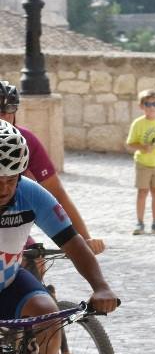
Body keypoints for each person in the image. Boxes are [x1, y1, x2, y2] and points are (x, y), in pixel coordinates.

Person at [0, 122, 118, 354]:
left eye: (11, 179)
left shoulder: (30, 194)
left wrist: (100, 286)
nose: (5, 189)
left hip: (7, 282)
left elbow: (72, 242)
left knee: (48, 315)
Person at [0, 80, 105, 255]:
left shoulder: (27, 141)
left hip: (12, 221)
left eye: (6, 111)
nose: (1, 118)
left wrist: (85, 238)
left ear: (15, 112)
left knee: (35, 261)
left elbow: (57, 192)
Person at [125, 89, 155, 236]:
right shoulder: (138, 124)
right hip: (143, 163)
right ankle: (140, 222)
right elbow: (130, 143)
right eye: (148, 104)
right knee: (142, 192)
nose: (152, 107)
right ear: (141, 106)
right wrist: (142, 147)